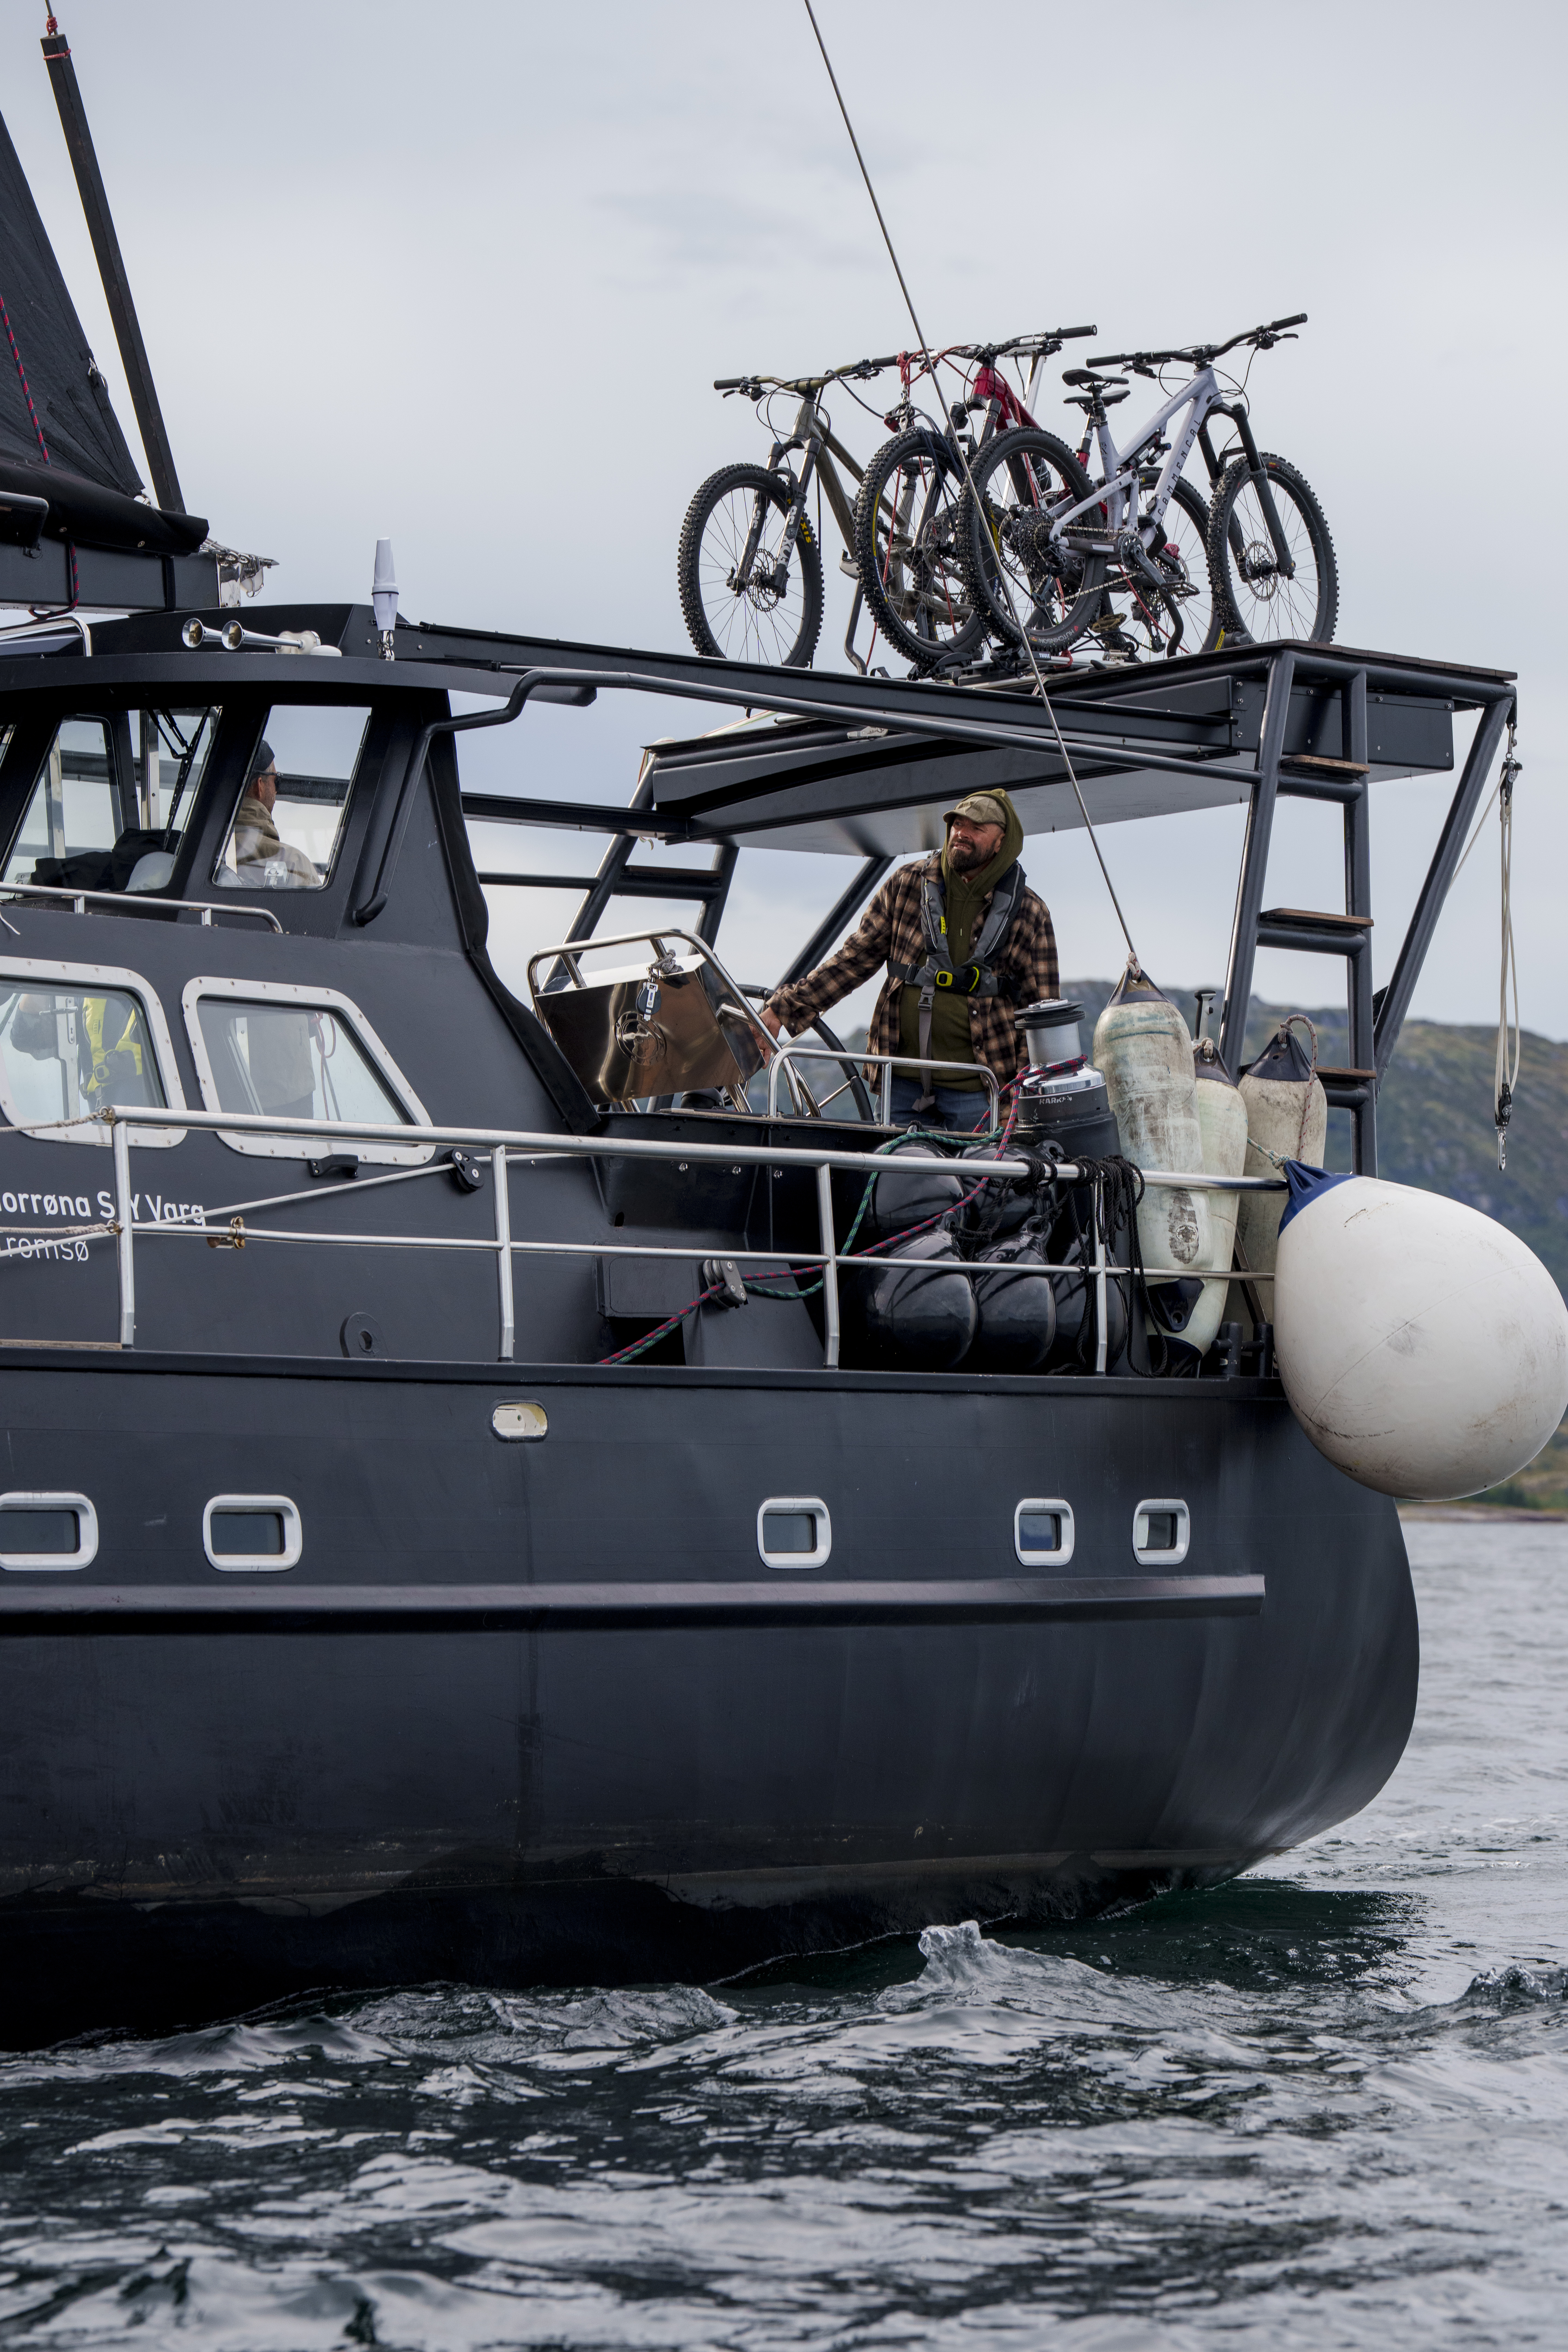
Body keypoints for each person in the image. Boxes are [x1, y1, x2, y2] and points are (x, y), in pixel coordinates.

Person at [759, 788, 1058, 1129]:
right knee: (892, 1166)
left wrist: (1020, 1100)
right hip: (900, 1083)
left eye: (976, 828)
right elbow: (853, 960)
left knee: (982, 1169)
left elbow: (1043, 1015)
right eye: (958, 824)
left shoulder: (1031, 913)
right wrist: (783, 1008)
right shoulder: (906, 885)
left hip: (982, 1089)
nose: (962, 834)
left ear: (1001, 841)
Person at [226, 742, 317, 889]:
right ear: (260, 786)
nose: (276, 791)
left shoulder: (200, 852)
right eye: (277, 781)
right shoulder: (294, 864)